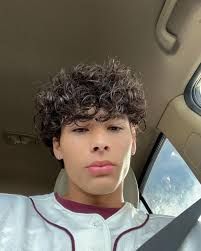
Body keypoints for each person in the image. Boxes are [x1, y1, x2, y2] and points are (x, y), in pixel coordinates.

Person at [0, 58, 200, 251]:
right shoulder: (7, 216)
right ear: (57, 146)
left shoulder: (189, 236)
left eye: (113, 128)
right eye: (80, 129)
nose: (100, 143)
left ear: (133, 140)